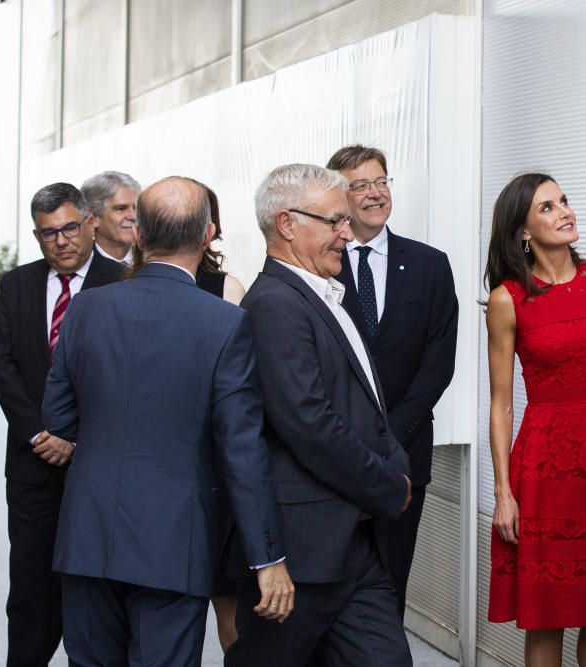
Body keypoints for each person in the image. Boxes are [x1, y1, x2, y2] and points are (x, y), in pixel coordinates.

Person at [41, 176, 294, 665]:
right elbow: (242, 449)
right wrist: (268, 557)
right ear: (207, 235)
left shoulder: (86, 309)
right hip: (173, 544)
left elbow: (58, 417)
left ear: (138, 234)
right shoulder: (224, 322)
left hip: (87, 538)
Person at [225, 163, 412, 666]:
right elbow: (308, 424)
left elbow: (368, 407)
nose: (348, 235)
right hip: (303, 555)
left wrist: (397, 462)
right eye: (335, 222)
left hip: (356, 545)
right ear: (288, 224)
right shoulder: (274, 305)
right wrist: (388, 484)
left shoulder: (324, 294)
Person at [484, 173, 586, 665]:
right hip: (545, 467)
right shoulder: (508, 299)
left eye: (564, 201)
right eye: (547, 208)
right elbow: (501, 403)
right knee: (547, 615)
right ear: (523, 232)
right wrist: (503, 494)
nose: (565, 212)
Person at [0, 182, 125, 666]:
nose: (61, 240)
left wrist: (75, 437)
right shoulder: (17, 285)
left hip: (99, 466)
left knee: (98, 589)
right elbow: (0, 365)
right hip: (31, 466)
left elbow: (125, 374)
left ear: (90, 223)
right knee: (30, 589)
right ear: (37, 235)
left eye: (69, 227)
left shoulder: (123, 282)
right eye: (49, 233)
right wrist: (40, 434)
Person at [327, 144, 459, 617]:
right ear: (338, 197)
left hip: (405, 457)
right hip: (334, 459)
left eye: (381, 181)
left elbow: (438, 365)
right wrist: (355, 444)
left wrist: (390, 439)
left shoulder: (429, 265)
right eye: (359, 185)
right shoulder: (323, 267)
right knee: (331, 597)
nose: (374, 194)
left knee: (389, 592)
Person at [129, 182, 247, 652]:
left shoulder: (227, 290)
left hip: (214, 473)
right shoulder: (126, 291)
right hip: (154, 473)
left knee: (227, 602)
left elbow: (237, 387)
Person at [81, 170, 141, 264]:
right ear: (94, 218)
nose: (133, 216)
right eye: (121, 209)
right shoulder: (79, 264)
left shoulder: (153, 259)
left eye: (136, 208)